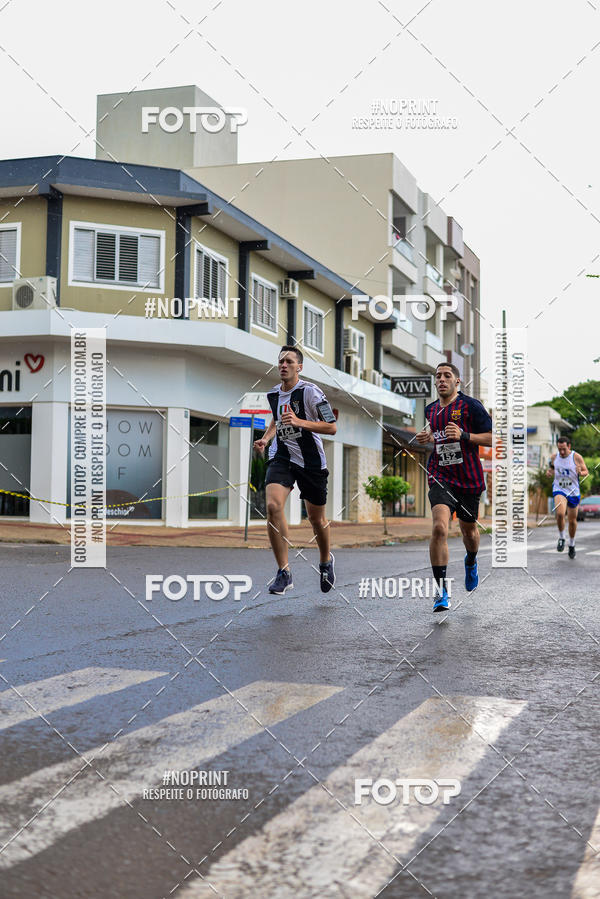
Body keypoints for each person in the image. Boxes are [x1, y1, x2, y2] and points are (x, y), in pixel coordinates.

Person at [253, 346, 337, 595]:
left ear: (299, 367)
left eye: (289, 361)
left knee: (316, 519)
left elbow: (331, 427)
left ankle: (325, 561)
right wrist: (266, 438)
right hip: (282, 457)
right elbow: (277, 420)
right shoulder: (273, 394)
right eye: (281, 361)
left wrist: (300, 422)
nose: (283, 365)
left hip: (311, 462)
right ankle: (284, 572)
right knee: (272, 506)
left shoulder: (311, 392)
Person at [416, 362, 493, 613]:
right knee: (439, 528)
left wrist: (465, 435)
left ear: (457, 381)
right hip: (440, 475)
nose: (441, 379)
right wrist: (428, 437)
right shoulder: (430, 410)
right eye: (438, 376)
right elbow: (436, 433)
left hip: (469, 479)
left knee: (469, 532)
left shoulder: (471, 406)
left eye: (447, 375)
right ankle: (441, 593)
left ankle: (471, 561)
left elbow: (493, 438)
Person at [547, 436, 588, 558]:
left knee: (572, 521)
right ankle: (561, 538)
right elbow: (552, 468)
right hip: (559, 489)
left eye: (564, 449)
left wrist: (580, 472)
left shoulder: (576, 457)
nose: (561, 452)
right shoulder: (554, 457)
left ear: (569, 446)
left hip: (573, 491)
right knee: (560, 514)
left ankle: (572, 544)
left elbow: (586, 471)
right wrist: (549, 472)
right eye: (559, 449)